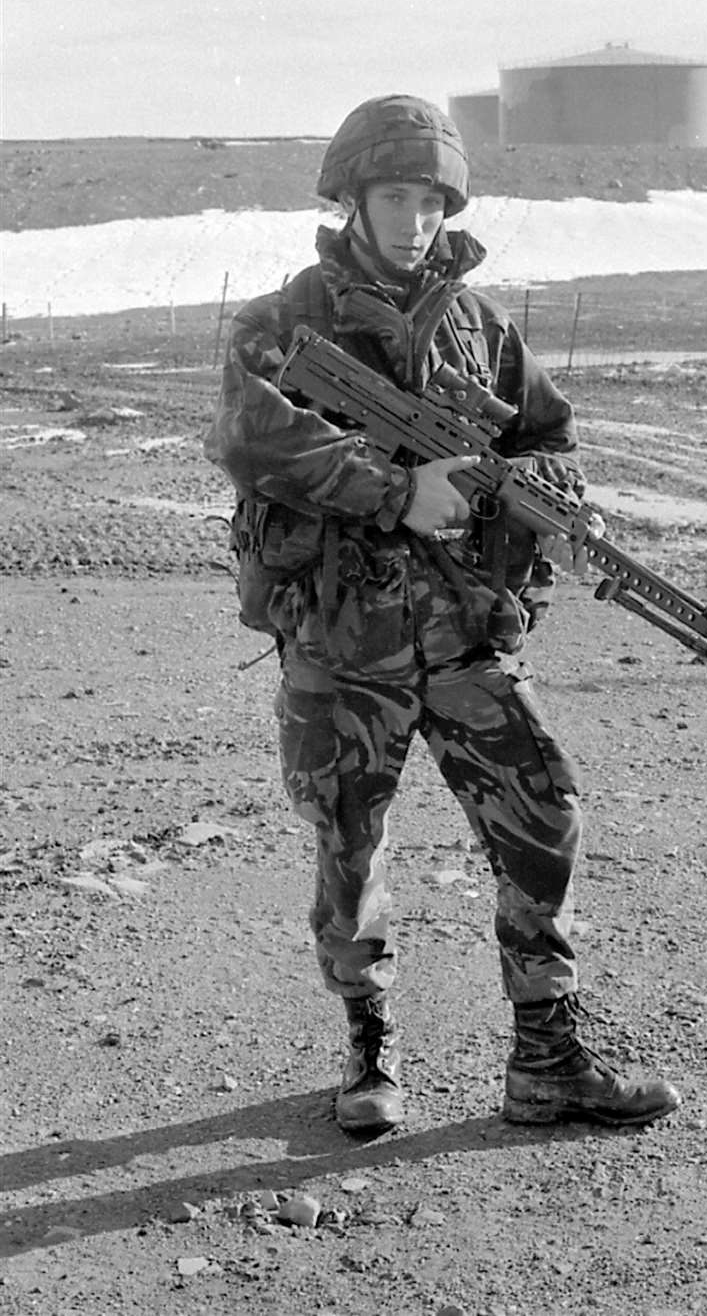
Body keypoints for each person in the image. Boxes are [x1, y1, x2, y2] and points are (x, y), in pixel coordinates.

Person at [205, 95, 680, 1135]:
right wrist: (395, 489)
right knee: (349, 847)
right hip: (343, 640)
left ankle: (547, 1062)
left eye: (429, 199)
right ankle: (369, 1053)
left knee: (542, 817)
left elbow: (552, 434)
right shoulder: (285, 321)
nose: (413, 219)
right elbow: (247, 435)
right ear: (351, 199)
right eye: (392, 196)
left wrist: (543, 495)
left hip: (465, 633)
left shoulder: (481, 324)